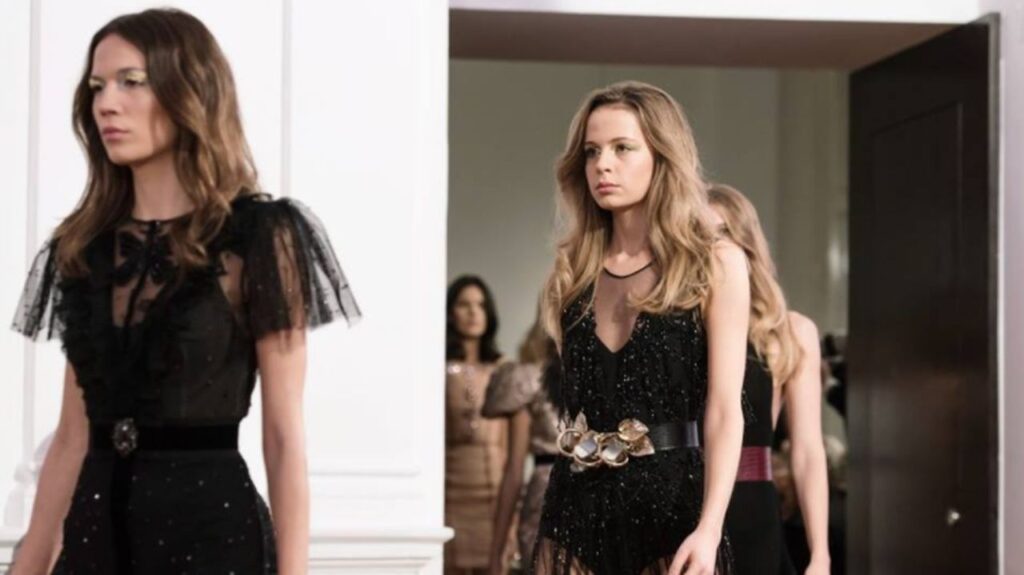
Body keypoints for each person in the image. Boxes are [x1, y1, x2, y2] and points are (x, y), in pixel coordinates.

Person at [9, 9, 360, 574]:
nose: (106, 104)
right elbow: (72, 438)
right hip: (97, 540)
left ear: (189, 91)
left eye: (131, 81)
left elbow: (282, 437)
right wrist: (27, 565)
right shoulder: (83, 249)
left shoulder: (259, 236)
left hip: (212, 538)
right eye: (97, 86)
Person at [530, 81, 748, 575]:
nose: (602, 165)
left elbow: (724, 410)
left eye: (622, 148)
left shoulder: (714, 262)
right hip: (574, 508)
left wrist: (710, 527)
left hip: (672, 510)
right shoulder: (573, 270)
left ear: (662, 157)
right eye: (592, 152)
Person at [707, 184, 830, 575]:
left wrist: (820, 554)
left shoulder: (789, 333)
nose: (709, 249)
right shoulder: (674, 332)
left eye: (720, 234)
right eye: (697, 236)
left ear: (744, 243)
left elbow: (807, 450)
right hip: (679, 501)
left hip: (750, 509)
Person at [481, 316, 561, 574]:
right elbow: (514, 469)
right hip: (545, 498)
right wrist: (496, 552)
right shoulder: (528, 380)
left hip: (601, 496)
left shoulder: (609, 379)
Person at [445, 276, 512, 574]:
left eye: (481, 305)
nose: (474, 312)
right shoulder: (437, 368)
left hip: (495, 494)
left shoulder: (503, 369)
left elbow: (510, 445)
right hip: (451, 493)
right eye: (464, 305)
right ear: (451, 313)